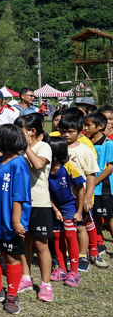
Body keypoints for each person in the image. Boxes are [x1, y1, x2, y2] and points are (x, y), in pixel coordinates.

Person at [0, 124, 31, 316]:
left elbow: (19, 195)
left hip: (9, 221)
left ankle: (12, 293)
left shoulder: (18, 164)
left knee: (11, 257)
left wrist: (17, 221)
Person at [13, 114, 55, 300]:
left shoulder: (43, 146)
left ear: (32, 132)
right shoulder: (21, 148)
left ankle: (46, 284)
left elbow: (38, 164)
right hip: (22, 203)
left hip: (39, 203)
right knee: (24, 241)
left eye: (20, 131)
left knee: (41, 244)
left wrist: (27, 147)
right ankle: (26, 277)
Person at [59, 112, 99, 272]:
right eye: (63, 131)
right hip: (61, 196)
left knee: (81, 226)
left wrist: (88, 197)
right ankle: (68, 253)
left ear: (80, 130)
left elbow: (91, 175)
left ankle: (83, 255)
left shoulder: (85, 150)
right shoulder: (57, 147)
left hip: (80, 197)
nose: (66, 135)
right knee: (64, 226)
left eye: (71, 131)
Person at [48, 136, 85, 288]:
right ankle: (62, 269)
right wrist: (55, 209)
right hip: (53, 207)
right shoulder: (45, 168)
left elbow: (80, 189)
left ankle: (74, 271)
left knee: (70, 235)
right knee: (57, 237)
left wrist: (79, 211)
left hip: (69, 206)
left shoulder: (69, 167)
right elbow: (44, 191)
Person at [85, 111, 113, 266]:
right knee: (95, 217)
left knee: (109, 217)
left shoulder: (108, 144)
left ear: (100, 126)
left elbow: (110, 167)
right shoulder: (86, 142)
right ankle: (97, 244)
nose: (85, 128)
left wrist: (94, 181)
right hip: (91, 190)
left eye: (88, 125)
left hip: (104, 188)